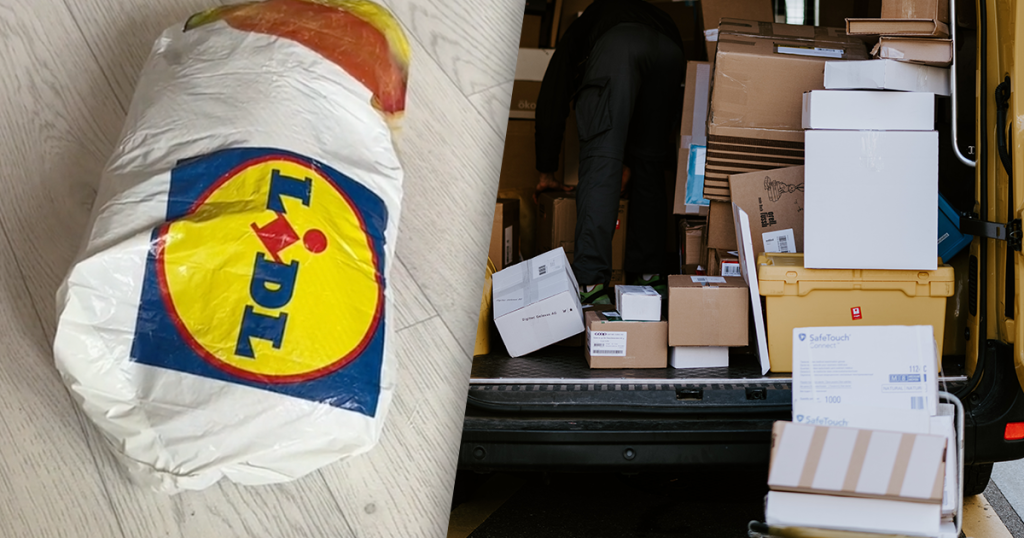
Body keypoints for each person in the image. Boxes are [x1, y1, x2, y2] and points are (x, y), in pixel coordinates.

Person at [534, 0, 686, 304]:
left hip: (620, 48)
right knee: (649, 164)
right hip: (672, 54)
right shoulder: (652, 14)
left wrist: (546, 169)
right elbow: (634, 112)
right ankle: (650, 277)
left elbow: (553, 96)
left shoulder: (586, 25)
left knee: (601, 160)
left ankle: (591, 285)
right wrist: (628, 160)